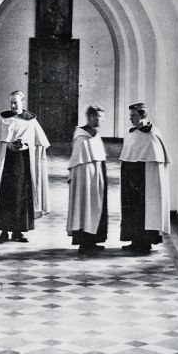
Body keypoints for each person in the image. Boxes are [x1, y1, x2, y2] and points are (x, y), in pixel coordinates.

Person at [0, 90, 50, 243]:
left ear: (22, 103)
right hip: (5, 164)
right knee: (4, 196)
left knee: (21, 196)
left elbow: (40, 143)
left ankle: (18, 231)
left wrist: (26, 146)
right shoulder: (2, 119)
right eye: (11, 102)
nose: (12, 105)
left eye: (15, 103)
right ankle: (3, 232)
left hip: (23, 163)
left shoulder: (31, 121)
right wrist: (6, 145)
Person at [119, 102, 171, 253]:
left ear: (143, 115)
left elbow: (157, 161)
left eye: (133, 115)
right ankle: (135, 241)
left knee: (145, 211)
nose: (131, 118)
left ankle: (145, 243)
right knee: (132, 209)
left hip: (147, 179)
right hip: (131, 176)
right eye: (130, 115)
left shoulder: (153, 134)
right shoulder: (132, 132)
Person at [66, 105, 109, 256]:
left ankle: (93, 241)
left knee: (96, 208)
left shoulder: (95, 134)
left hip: (96, 177)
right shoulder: (81, 136)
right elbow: (77, 161)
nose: (102, 120)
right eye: (100, 117)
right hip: (83, 180)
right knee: (84, 208)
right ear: (91, 117)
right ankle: (84, 244)